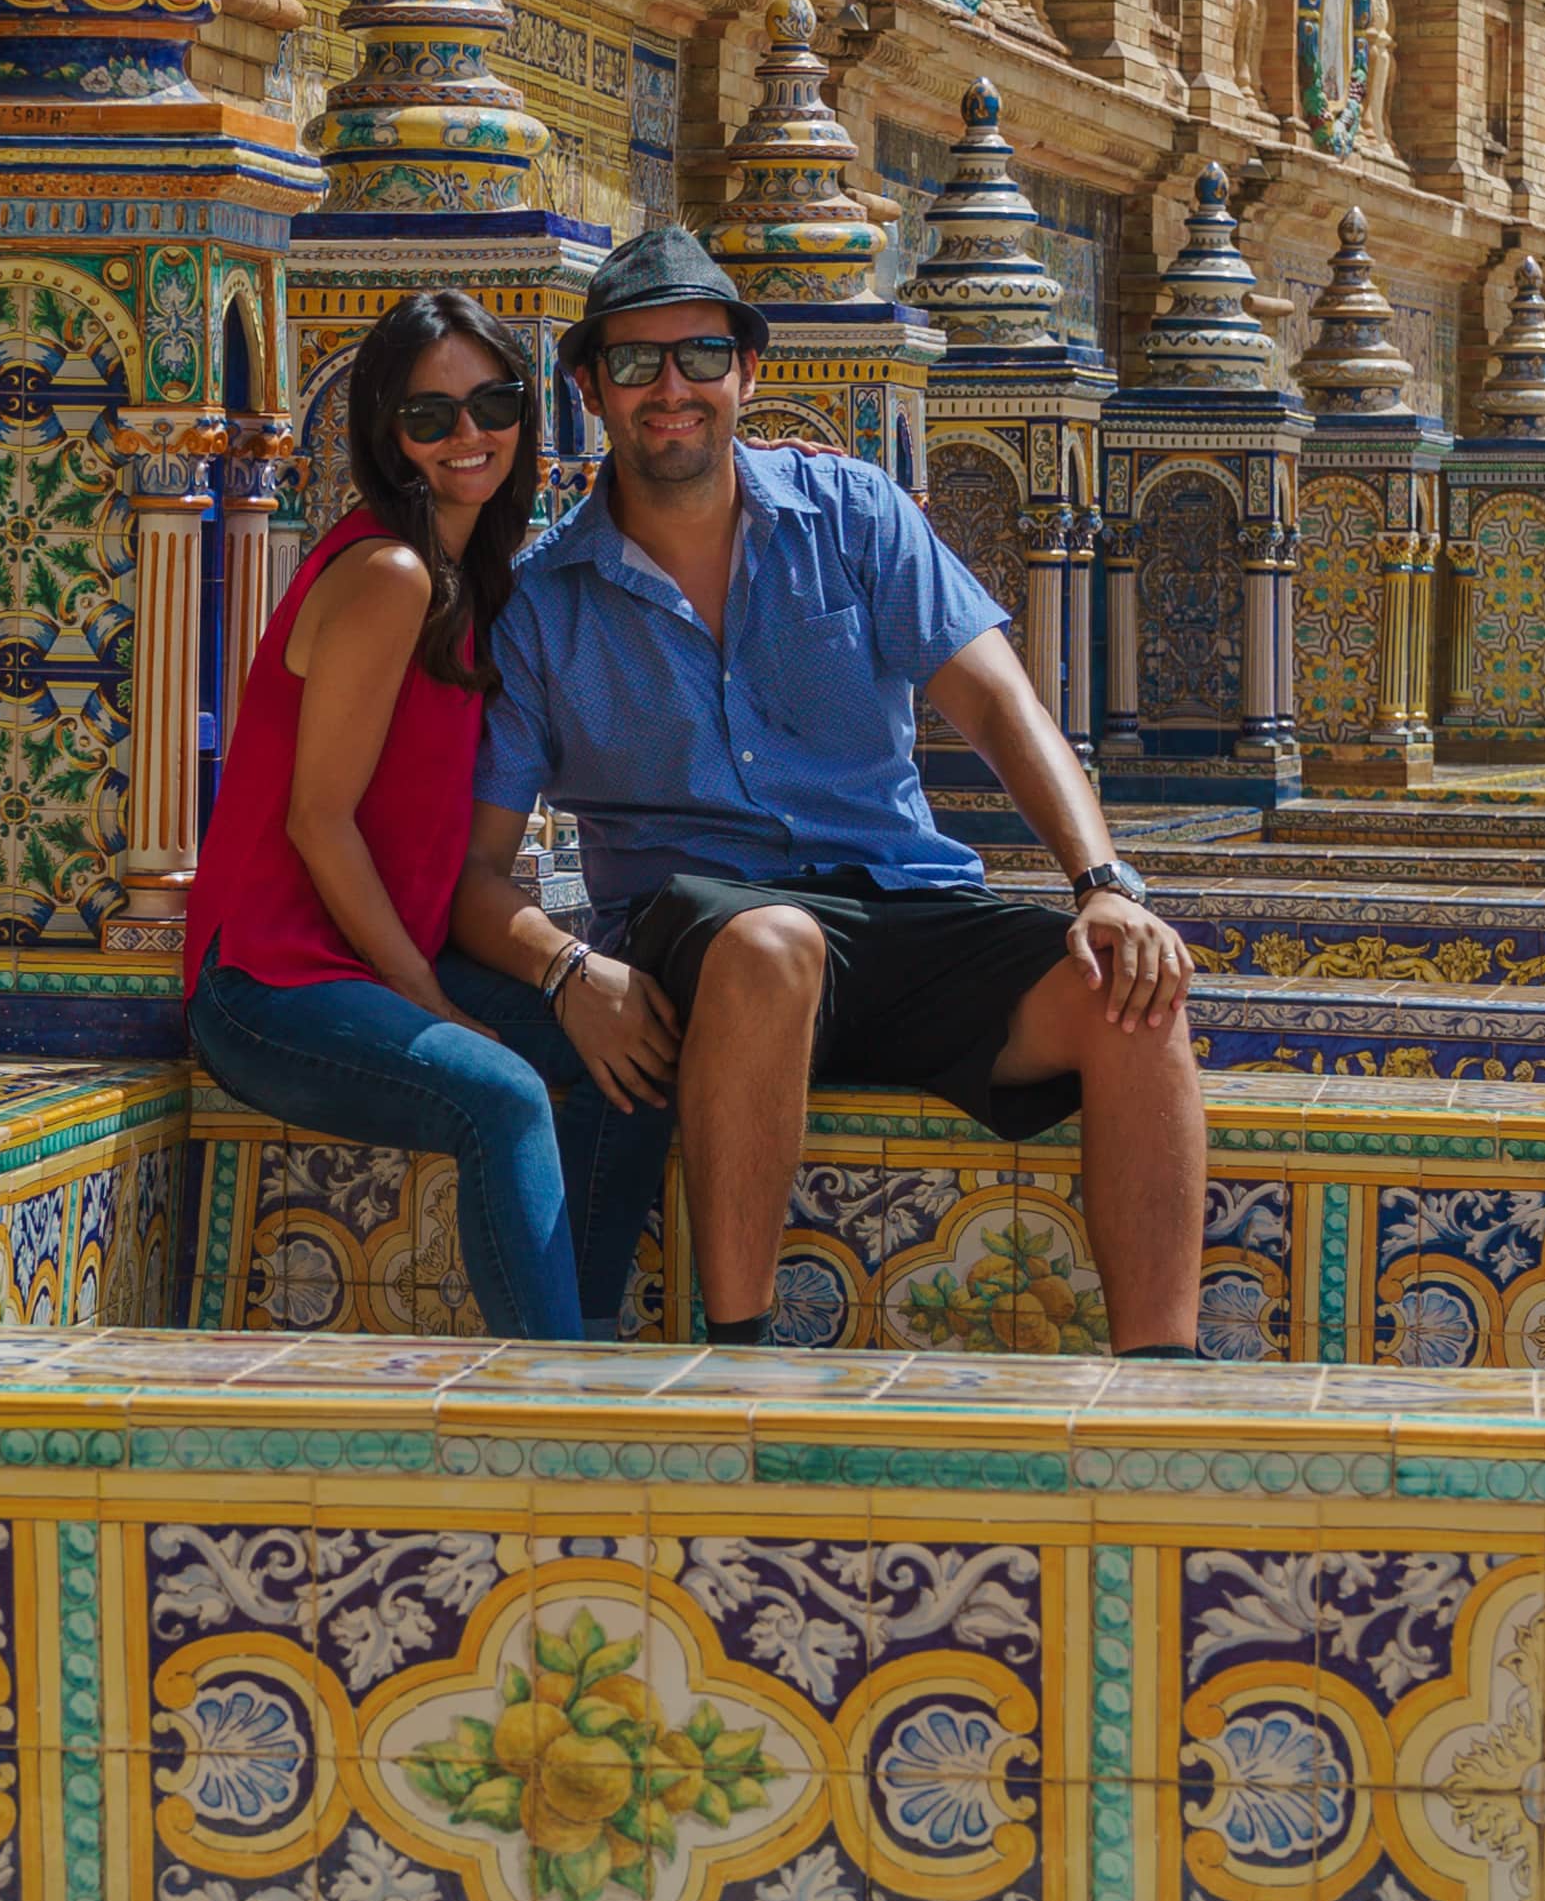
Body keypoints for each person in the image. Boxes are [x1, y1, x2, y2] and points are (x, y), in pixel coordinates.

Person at [452, 226, 1208, 1355]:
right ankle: (738, 1353)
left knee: (1131, 991)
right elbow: (470, 872)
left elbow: (1001, 707)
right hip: (700, 937)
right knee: (770, 943)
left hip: (902, 907)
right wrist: (569, 973)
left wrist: (1101, 884)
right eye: (634, 363)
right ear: (586, 391)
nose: (672, 389)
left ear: (745, 376)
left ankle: (1165, 1374)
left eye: (701, 357)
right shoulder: (538, 601)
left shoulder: (848, 515)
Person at [185, 289, 678, 1341]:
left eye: (492, 404)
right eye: (429, 417)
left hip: (368, 965)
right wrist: (427, 1004)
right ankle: (548, 1418)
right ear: (388, 436)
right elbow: (319, 820)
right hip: (271, 985)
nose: (469, 437)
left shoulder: (474, 580)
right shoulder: (390, 574)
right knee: (496, 1093)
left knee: (626, 1059)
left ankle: (578, 1354)